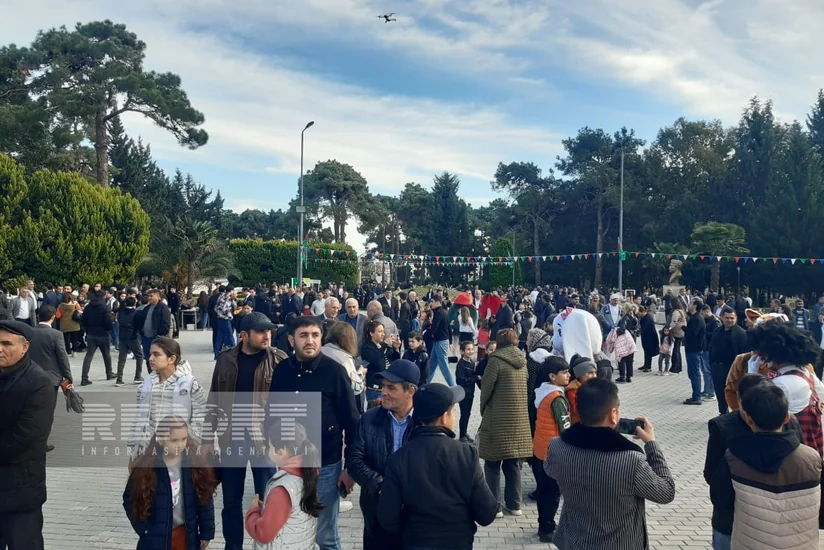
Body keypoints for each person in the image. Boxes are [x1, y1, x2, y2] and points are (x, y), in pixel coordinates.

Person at [545, 379, 675, 549]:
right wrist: (651, 444)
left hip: (573, 542)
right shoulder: (631, 459)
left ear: (576, 410)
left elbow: (549, 470)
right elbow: (666, 492)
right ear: (613, 414)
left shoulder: (557, 446)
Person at [267, 316, 361, 550]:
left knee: (324, 535)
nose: (310, 341)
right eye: (303, 335)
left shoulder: (335, 372)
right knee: (295, 529)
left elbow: (352, 421)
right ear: (291, 340)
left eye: (315, 335)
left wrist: (350, 469)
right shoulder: (282, 371)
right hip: (290, 465)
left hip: (326, 464)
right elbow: (272, 414)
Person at [377, 383, 498, 550]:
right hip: (458, 543)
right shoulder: (466, 454)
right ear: (443, 418)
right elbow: (487, 512)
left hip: (415, 542)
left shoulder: (399, 458)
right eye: (453, 412)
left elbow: (387, 517)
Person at [204, 312, 286, 550]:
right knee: (231, 501)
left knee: (267, 498)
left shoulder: (279, 359)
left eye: (269, 331)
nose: (267, 336)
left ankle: (266, 544)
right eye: (261, 331)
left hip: (265, 442)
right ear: (244, 335)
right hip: (232, 439)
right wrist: (208, 438)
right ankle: (233, 545)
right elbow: (214, 400)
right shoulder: (225, 360)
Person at [710, 383, 821, 550]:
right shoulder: (811, 458)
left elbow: (720, 500)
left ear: (747, 418)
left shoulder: (733, 458)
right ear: (787, 418)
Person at [348, 360, 419, 550]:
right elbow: (355, 460)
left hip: (413, 513)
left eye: (391, 388)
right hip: (376, 508)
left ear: (410, 391)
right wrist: (382, 485)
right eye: (384, 386)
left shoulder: (424, 423)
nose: (383, 392)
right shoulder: (369, 419)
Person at [0, 320, 55, 550]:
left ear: (24, 347)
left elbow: (27, 435)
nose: (0, 349)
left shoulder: (38, 383)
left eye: (6, 344)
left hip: (20, 488)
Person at [123, 416, 216, 550]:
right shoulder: (147, 468)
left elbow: (205, 499)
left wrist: (206, 533)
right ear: (161, 440)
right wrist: (144, 530)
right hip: (155, 539)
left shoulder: (195, 466)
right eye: (174, 440)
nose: (180, 444)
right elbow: (129, 499)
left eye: (184, 439)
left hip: (185, 535)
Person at [478, 329, 533, 517]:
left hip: (498, 417)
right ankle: (515, 504)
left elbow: (486, 388)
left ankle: (495, 506)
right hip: (518, 418)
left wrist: (484, 408)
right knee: (514, 462)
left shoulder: (495, 360)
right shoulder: (523, 361)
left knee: (492, 462)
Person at [244, 420, 322, 550]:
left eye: (270, 447)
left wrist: (253, 512)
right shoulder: (308, 474)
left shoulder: (282, 490)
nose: (268, 451)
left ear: (281, 452)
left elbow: (263, 533)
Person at [128, 337, 207, 465]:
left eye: (157, 354)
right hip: (150, 451)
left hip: (180, 451)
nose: (150, 359)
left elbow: (201, 417)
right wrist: (134, 452)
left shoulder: (189, 385)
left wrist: (191, 443)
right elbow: (139, 420)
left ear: (172, 359)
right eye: (150, 354)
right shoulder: (145, 386)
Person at [532, 356, 572, 543]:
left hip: (540, 449)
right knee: (552, 493)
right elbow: (565, 427)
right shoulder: (557, 398)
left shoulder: (542, 393)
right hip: (553, 452)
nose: (568, 375)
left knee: (543, 491)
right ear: (552, 376)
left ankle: (544, 523)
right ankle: (546, 529)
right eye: (564, 372)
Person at [27, 306, 73, 452]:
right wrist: (68, 376)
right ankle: (41, 442)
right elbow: (62, 357)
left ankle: (29, 440)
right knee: (47, 412)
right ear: (53, 317)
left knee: (31, 410)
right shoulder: (56, 334)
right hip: (50, 379)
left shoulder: (28, 333)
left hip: (30, 377)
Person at [708, 307, 748, 414]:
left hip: (732, 369)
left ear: (736, 318)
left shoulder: (741, 334)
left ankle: (737, 414)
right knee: (720, 392)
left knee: (734, 393)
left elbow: (744, 353)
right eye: (727, 318)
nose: (729, 320)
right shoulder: (717, 331)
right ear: (721, 318)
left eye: (732, 318)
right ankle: (723, 413)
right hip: (718, 368)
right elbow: (711, 348)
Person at [360, 320, 401, 404]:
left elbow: (395, 361)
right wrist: (385, 345)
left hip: (387, 386)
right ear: (371, 333)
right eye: (380, 331)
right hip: (375, 389)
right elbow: (378, 362)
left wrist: (396, 348)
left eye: (383, 331)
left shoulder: (382, 345)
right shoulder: (367, 348)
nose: (383, 334)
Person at [80, 290, 115, 386]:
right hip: (103, 334)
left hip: (91, 333)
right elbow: (108, 321)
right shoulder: (105, 307)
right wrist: (109, 328)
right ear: (103, 296)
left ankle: (84, 377)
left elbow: (83, 320)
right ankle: (109, 373)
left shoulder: (88, 307)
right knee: (106, 354)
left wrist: (87, 330)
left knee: (89, 356)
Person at [135, 289, 172, 368]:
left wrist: (160, 333)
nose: (149, 298)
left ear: (158, 297)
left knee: (157, 358)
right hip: (145, 337)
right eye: (148, 296)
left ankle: (158, 376)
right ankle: (151, 376)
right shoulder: (147, 308)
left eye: (151, 296)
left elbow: (166, 323)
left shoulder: (163, 307)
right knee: (148, 359)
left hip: (156, 337)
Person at [424, 295, 454, 386]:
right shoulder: (443, 312)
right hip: (439, 341)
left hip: (441, 341)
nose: (431, 303)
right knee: (432, 363)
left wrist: (424, 336)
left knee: (443, 365)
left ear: (438, 302)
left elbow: (434, 328)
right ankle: (425, 382)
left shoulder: (438, 313)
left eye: (432, 301)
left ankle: (453, 386)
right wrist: (450, 341)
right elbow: (448, 327)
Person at [683, 298, 707, 405]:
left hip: (694, 349)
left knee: (694, 373)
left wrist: (683, 327)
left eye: (691, 303)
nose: (688, 305)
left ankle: (697, 397)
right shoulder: (694, 317)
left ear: (695, 305)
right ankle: (695, 395)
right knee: (692, 373)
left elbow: (693, 333)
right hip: (691, 349)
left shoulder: (697, 318)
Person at [116, 296, 145, 385]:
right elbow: (139, 325)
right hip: (132, 336)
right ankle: (137, 376)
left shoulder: (121, 312)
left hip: (122, 336)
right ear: (135, 303)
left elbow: (119, 321)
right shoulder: (136, 313)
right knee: (139, 355)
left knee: (122, 358)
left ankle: (119, 379)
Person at [454, 340, 479, 442]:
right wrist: (474, 378)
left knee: (468, 414)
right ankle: (461, 435)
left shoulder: (472, 363)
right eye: (468, 349)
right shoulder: (461, 364)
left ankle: (464, 432)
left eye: (472, 349)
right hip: (463, 393)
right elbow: (460, 380)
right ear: (462, 351)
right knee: (464, 414)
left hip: (470, 393)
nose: (471, 351)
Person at [565, 355, 596, 425]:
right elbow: (582, 413)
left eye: (595, 372)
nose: (594, 376)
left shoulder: (590, 387)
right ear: (579, 374)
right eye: (590, 373)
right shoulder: (573, 391)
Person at [638, 305, 658, 373]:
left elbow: (644, 328)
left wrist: (638, 332)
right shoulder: (643, 317)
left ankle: (648, 366)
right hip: (645, 337)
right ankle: (645, 364)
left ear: (642, 312)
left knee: (648, 351)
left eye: (639, 312)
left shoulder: (648, 318)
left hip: (650, 337)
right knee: (645, 351)